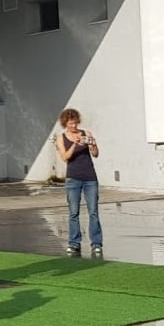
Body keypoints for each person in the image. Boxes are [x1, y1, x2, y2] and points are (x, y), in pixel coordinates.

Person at [54, 108, 102, 257]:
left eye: (75, 123)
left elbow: (96, 154)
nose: (73, 126)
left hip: (90, 177)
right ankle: (74, 243)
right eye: (70, 124)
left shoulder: (86, 133)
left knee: (93, 211)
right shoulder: (61, 138)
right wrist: (74, 144)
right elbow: (65, 157)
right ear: (65, 124)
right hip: (73, 178)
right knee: (73, 212)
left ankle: (96, 243)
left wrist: (92, 144)